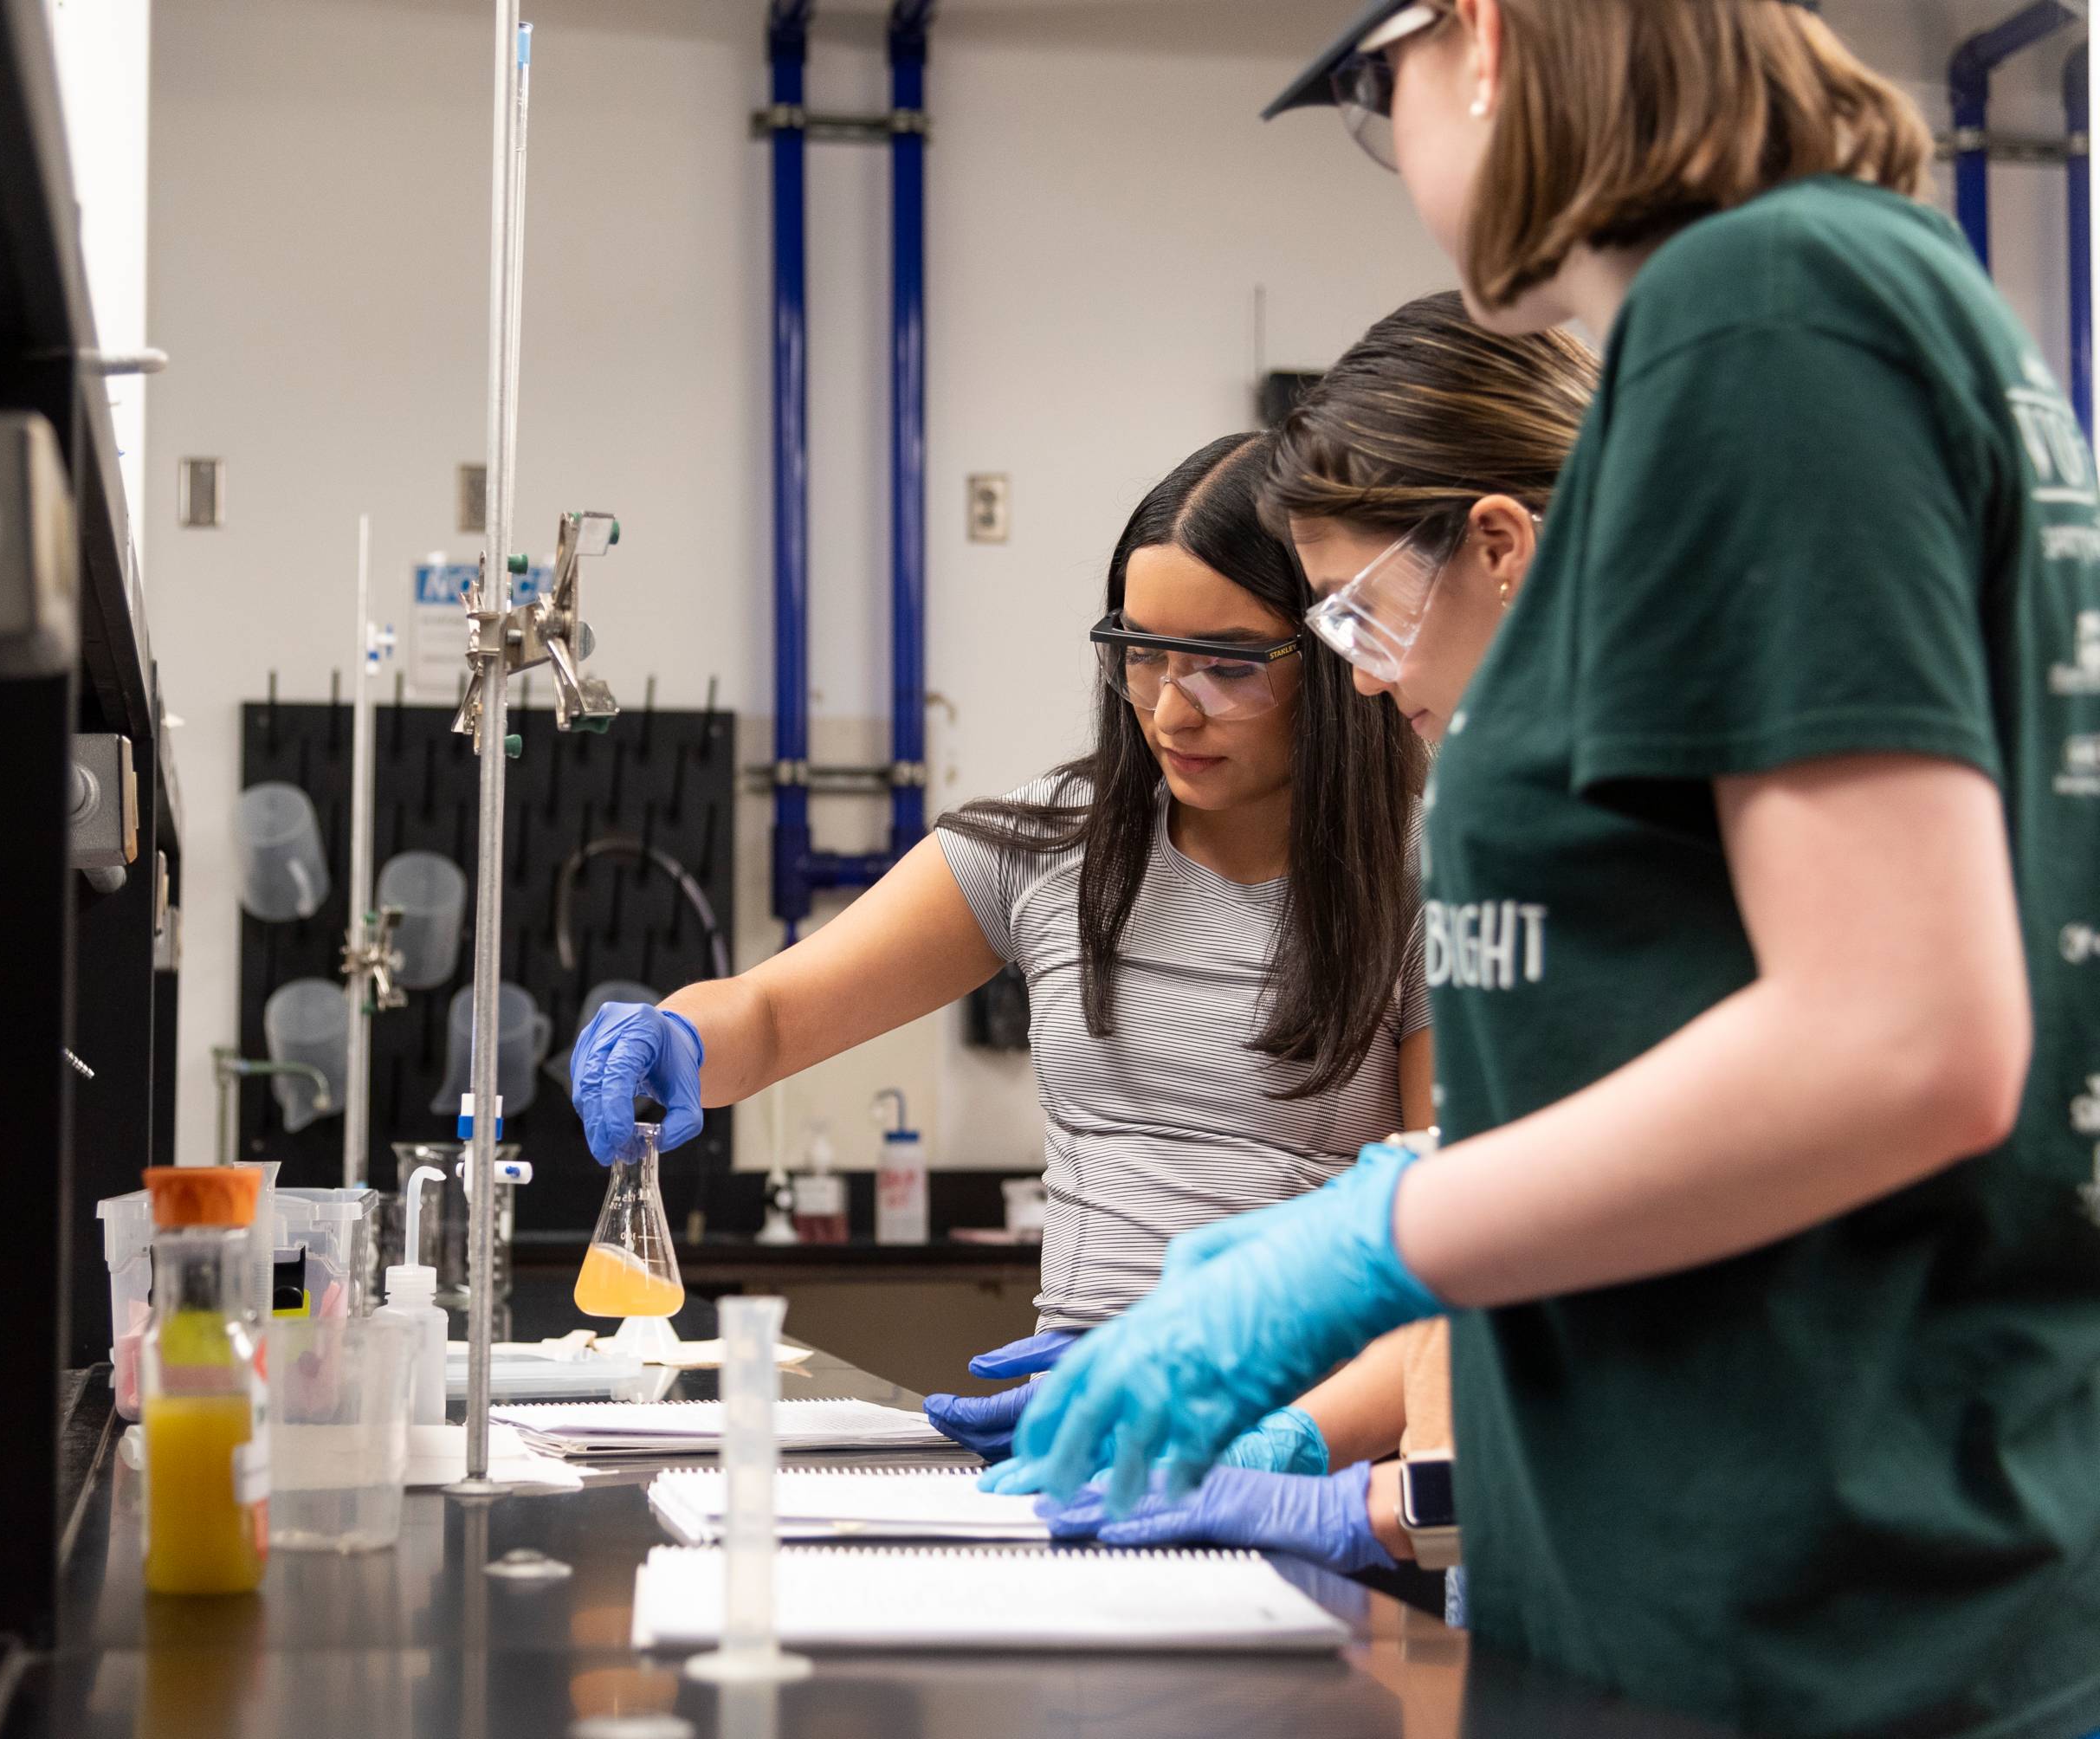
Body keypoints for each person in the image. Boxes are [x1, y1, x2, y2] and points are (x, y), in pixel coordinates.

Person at [1003, 4, 2100, 1733]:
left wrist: (1373, 1233)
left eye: (1384, 98)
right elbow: (1682, 1005)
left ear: (1489, 43)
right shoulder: (1813, 308)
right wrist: (1329, 1378)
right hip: (1716, 1574)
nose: (1404, 158)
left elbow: (1903, 1036)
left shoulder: (1768, 309)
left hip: (1818, 1614)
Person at [569, 433, 1431, 1472]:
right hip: (1073, 1426)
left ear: (1333, 658)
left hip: (1313, 1446)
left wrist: (1278, 1441)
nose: (1168, 706)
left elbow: (1451, 1244)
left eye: (1227, 664)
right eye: (1140, 651)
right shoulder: (1052, 846)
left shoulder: (1425, 879)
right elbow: (775, 1014)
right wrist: (676, 1035)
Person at [1039, 294, 1596, 1603]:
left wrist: (1365, 1482)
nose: (1352, 673)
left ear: (1501, 546)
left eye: (1354, 614)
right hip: (1531, 1547)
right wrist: (1373, 1482)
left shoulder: (1665, 800)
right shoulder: (1511, 798)